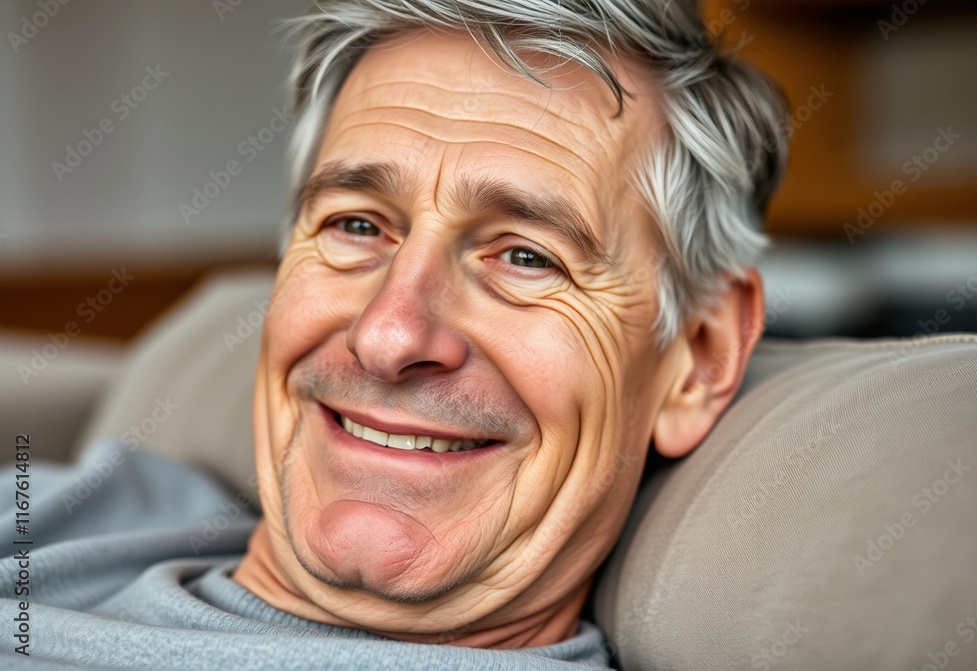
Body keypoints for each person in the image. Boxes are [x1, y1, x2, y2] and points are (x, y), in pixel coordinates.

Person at [1, 0, 787, 668]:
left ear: (699, 358)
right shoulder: (108, 499)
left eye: (525, 256)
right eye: (356, 224)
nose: (387, 335)